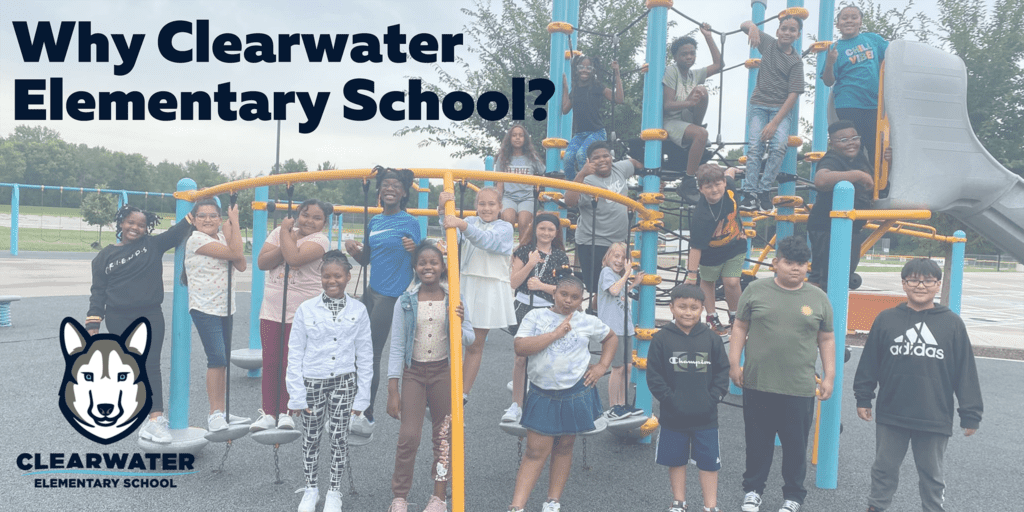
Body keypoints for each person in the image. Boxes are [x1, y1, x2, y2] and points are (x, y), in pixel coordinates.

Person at [854, 258, 983, 512]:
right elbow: (870, 361)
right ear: (903, 284)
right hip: (893, 413)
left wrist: (971, 413)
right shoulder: (886, 319)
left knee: (932, 476)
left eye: (928, 280)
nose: (920, 285)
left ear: (938, 284)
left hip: (934, 414)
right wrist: (863, 397)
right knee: (883, 470)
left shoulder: (952, 323)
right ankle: (876, 508)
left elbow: (965, 371)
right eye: (913, 279)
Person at [728, 236, 835, 512]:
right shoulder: (755, 291)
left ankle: (794, 496)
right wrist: (733, 362)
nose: (795, 268)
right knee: (757, 442)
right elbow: (740, 327)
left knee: (795, 447)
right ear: (776, 263)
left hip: (798, 387)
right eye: (789, 262)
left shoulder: (818, 298)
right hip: (758, 382)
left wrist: (830, 375)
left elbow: (826, 339)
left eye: (801, 263)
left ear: (807, 266)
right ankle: (752, 490)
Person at [507, 276, 618, 512]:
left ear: (581, 300)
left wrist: (601, 366)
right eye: (564, 294)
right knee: (535, 450)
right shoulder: (536, 316)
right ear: (554, 293)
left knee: (565, 445)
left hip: (575, 392)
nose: (568, 301)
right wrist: (555, 334)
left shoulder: (587, 321)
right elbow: (520, 347)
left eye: (574, 297)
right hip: (542, 393)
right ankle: (517, 506)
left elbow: (611, 337)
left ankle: (553, 501)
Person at [86, 204, 194, 444]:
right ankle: (142, 415)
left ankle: (155, 421)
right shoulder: (104, 256)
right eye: (131, 223)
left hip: (150, 315)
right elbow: (98, 291)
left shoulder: (152, 246)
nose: (135, 227)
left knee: (151, 365)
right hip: (118, 318)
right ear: (121, 223)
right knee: (135, 367)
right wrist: (93, 320)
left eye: (141, 225)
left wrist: (203, 199)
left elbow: (180, 229)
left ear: (147, 229)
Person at [385, 242, 474, 512]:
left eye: (433, 262)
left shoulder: (454, 298)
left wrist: (457, 322)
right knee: (409, 436)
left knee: (443, 437)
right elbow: (398, 346)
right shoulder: (406, 301)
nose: (428, 267)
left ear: (443, 267)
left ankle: (439, 496)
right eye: (422, 263)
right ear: (415, 267)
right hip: (413, 372)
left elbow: (470, 339)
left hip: (443, 373)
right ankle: (400, 496)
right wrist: (393, 389)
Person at [287, 251, 373, 512]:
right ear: (320, 277)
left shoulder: (358, 310)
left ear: (348, 277)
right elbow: (295, 352)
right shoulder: (306, 309)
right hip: (312, 380)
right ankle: (311, 489)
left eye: (337, 276)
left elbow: (366, 355)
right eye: (326, 276)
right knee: (311, 437)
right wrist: (296, 394)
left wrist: (363, 397)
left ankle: (334, 490)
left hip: (344, 381)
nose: (331, 281)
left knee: (339, 437)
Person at [345, 168, 420, 438]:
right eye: (385, 185)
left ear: (403, 193)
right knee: (355, 350)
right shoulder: (374, 222)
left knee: (371, 353)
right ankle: (354, 408)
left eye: (395, 185)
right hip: (371, 291)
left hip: (392, 295)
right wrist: (355, 252)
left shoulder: (409, 222)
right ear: (379, 191)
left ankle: (365, 414)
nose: (389, 189)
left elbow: (420, 263)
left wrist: (416, 251)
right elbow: (367, 260)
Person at [251, 199, 333, 432]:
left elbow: (295, 258)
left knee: (292, 363)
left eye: (317, 218)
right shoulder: (280, 232)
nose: (309, 221)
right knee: (271, 361)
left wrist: (287, 239)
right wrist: (286, 237)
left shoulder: (320, 240)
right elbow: (262, 262)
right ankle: (268, 412)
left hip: (301, 312)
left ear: (324, 223)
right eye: (305, 215)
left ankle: (287, 411)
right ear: (297, 214)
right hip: (271, 310)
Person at [647, 284, 730, 512]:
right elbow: (654, 376)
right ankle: (679, 502)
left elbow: (723, 372)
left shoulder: (712, 339)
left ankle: (710, 506)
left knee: (709, 463)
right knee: (676, 460)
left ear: (702, 309)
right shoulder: (661, 339)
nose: (688, 312)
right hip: (673, 415)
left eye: (694, 307)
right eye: (682, 306)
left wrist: (713, 397)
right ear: (671, 307)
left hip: (706, 416)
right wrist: (669, 399)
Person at [438, 186, 516, 402]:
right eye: (482, 204)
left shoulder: (505, 227)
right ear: (476, 206)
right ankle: (443, 387)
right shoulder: (471, 221)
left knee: (474, 344)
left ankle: (462, 393)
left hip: (489, 287)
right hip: (465, 282)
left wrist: (461, 224)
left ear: (500, 207)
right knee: (449, 335)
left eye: (492, 204)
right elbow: (450, 236)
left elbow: (486, 241)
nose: (486, 208)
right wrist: (442, 211)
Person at [182, 198, 249, 432]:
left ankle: (223, 411)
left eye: (213, 216)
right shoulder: (196, 239)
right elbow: (236, 252)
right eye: (202, 216)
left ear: (219, 219)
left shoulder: (221, 238)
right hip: (204, 307)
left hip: (224, 307)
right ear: (194, 220)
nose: (208, 220)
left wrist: (229, 234)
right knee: (217, 359)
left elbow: (241, 264)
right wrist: (236, 223)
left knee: (223, 362)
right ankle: (214, 413)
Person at [504, 213, 572, 424]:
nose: (546, 233)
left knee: (548, 357)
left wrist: (542, 286)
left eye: (551, 229)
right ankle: (516, 405)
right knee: (521, 357)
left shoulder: (560, 256)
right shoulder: (524, 251)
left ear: (556, 232)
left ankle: (544, 403)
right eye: (542, 228)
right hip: (525, 307)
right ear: (535, 229)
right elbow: (513, 283)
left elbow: (566, 290)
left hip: (549, 309)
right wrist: (530, 263)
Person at [564, 141, 642, 310]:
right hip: (594, 241)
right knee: (599, 289)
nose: (602, 160)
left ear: (611, 157)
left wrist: (653, 178)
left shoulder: (619, 168)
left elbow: (635, 163)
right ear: (589, 161)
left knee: (614, 287)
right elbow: (569, 201)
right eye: (596, 158)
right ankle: (591, 318)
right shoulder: (587, 181)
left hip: (618, 243)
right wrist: (581, 174)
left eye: (605, 156)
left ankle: (599, 320)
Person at [738, 15, 805, 212]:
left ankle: (763, 190)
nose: (787, 32)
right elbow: (743, 25)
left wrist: (775, 123)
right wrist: (752, 26)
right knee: (755, 148)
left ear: (798, 35)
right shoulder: (768, 44)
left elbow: (793, 95)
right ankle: (749, 193)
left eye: (792, 30)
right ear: (777, 31)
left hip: (780, 109)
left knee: (778, 147)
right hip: (759, 105)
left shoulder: (795, 62)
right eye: (784, 28)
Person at [807, 120, 875, 291]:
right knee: (824, 277)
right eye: (843, 140)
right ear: (832, 143)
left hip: (851, 226)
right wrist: (857, 175)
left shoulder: (860, 157)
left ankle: (833, 312)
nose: (850, 143)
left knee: (842, 277)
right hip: (827, 227)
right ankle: (817, 312)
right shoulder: (832, 159)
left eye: (854, 138)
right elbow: (821, 180)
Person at [684, 164, 747, 336]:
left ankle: (736, 316)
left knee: (732, 282)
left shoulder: (730, 186)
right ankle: (712, 317)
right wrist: (691, 275)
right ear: (701, 189)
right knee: (708, 280)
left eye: (718, 184)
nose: (714, 189)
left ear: (724, 183)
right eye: (708, 186)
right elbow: (695, 247)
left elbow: (729, 174)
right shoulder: (701, 215)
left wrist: (735, 168)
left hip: (736, 244)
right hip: (711, 252)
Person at [822, 4, 888, 162]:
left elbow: (893, 55)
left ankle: (875, 184)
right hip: (848, 103)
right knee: (853, 146)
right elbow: (828, 81)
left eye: (854, 17)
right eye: (844, 18)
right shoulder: (835, 47)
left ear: (860, 22)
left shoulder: (872, 39)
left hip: (873, 103)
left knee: (875, 146)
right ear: (837, 24)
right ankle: (854, 183)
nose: (849, 21)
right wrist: (830, 62)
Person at [663, 23, 722, 183]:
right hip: (671, 121)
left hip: (687, 119)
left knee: (702, 90)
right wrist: (689, 103)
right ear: (675, 57)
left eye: (692, 53)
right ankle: (689, 180)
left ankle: (697, 124)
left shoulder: (693, 74)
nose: (689, 57)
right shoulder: (671, 71)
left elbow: (719, 65)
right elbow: (667, 105)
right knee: (701, 134)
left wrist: (708, 37)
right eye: (684, 54)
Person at [597, 241, 644, 418]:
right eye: (616, 256)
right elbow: (615, 291)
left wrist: (633, 284)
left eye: (623, 258)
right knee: (617, 368)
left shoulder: (618, 277)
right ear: (607, 257)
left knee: (628, 367)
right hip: (613, 329)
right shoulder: (607, 272)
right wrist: (628, 275)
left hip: (625, 327)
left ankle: (623, 404)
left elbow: (621, 293)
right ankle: (613, 406)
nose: (619, 260)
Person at [561, 55, 624, 181]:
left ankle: (589, 186)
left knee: (581, 155)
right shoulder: (576, 90)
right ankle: (574, 188)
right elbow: (565, 109)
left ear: (593, 70)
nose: (584, 70)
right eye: (581, 67)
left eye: (588, 67)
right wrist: (566, 88)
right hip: (580, 135)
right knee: (567, 158)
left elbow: (619, 99)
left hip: (597, 132)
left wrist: (617, 73)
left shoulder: (597, 87)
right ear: (577, 69)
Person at [496, 123, 546, 239]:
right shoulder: (503, 158)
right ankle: (507, 251)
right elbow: (500, 181)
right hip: (509, 197)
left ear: (525, 139)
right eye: (514, 135)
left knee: (524, 222)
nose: (517, 138)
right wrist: (498, 201)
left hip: (527, 197)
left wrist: (537, 185)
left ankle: (523, 252)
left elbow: (543, 174)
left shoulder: (532, 157)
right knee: (508, 220)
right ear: (510, 139)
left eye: (520, 135)